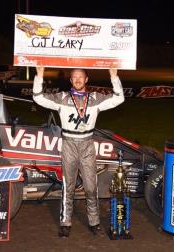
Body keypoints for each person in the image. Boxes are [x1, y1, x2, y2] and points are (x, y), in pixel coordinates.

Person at [33, 66, 125, 238]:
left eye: (80, 76)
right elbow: (38, 98)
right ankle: (65, 223)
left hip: (87, 145)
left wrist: (114, 76)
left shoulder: (96, 98)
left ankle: (94, 222)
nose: (77, 79)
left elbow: (119, 98)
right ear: (70, 80)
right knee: (68, 187)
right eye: (74, 77)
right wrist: (39, 75)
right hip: (68, 144)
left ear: (86, 79)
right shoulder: (62, 98)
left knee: (91, 187)